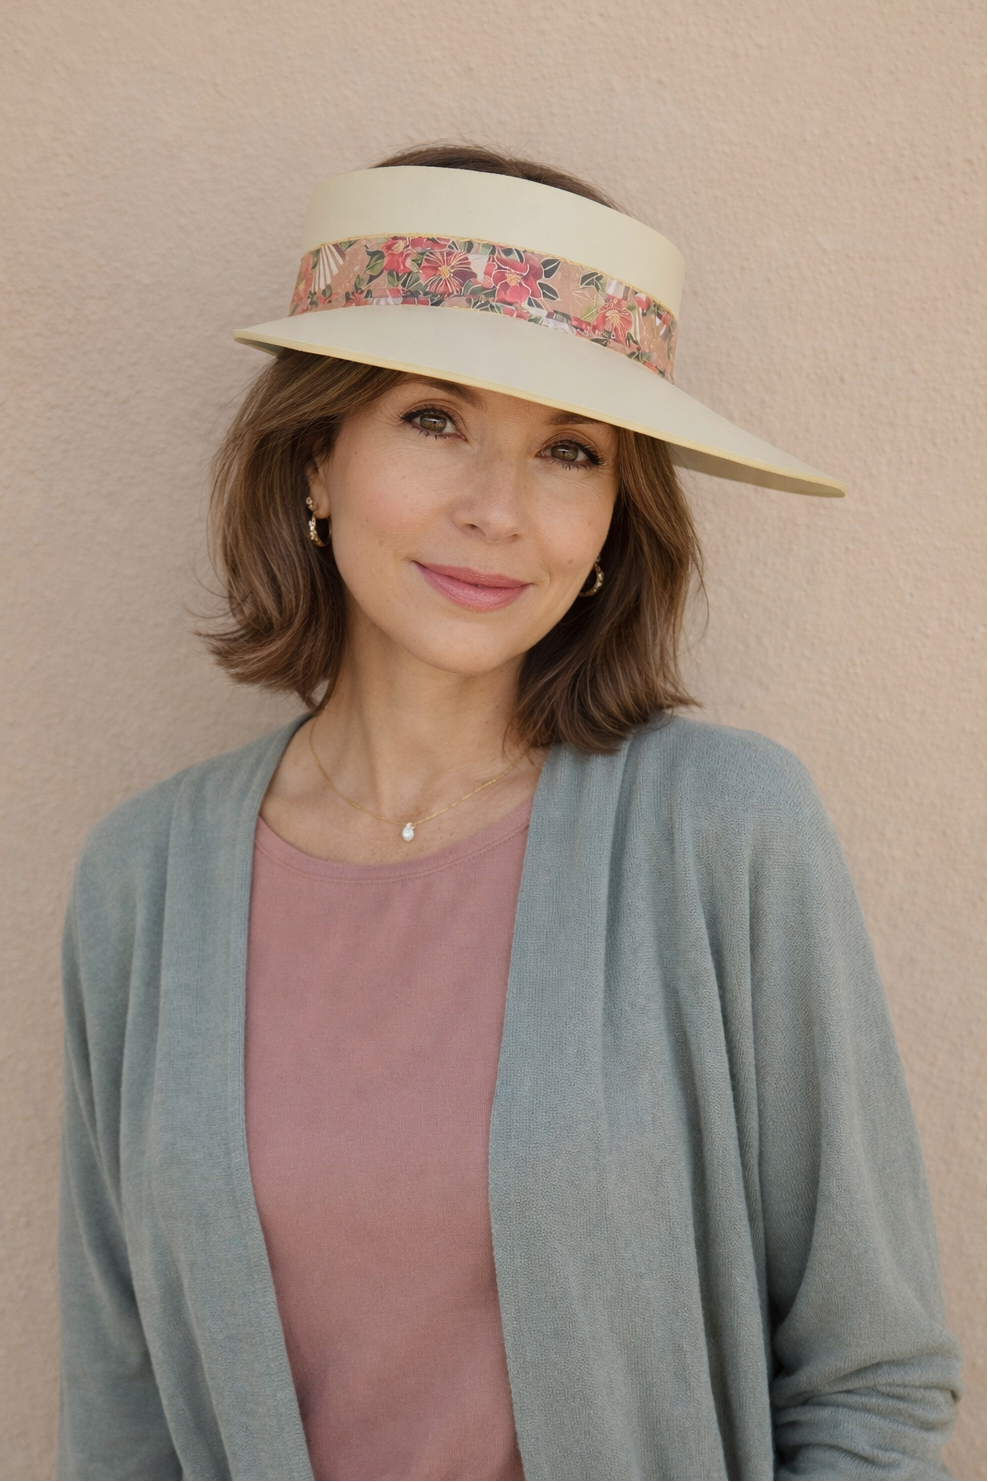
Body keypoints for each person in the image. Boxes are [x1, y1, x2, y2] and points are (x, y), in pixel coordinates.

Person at [58, 144, 960, 1482]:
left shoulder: (724, 833)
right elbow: (123, 1419)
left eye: (568, 449)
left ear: (614, 513)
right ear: (316, 457)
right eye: (434, 417)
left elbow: (871, 1389)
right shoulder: (145, 882)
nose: (498, 510)